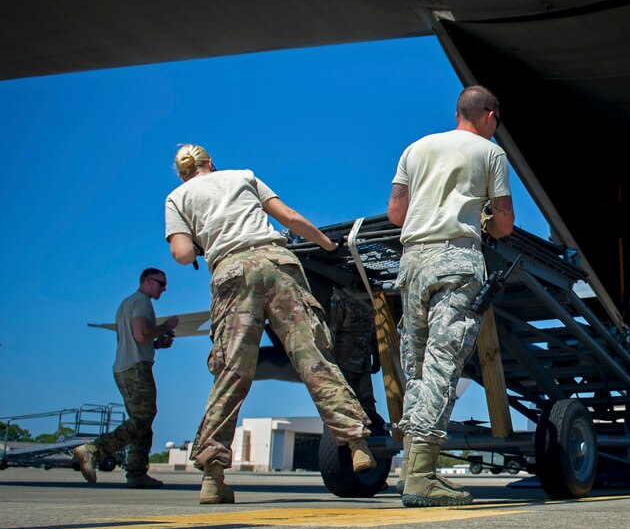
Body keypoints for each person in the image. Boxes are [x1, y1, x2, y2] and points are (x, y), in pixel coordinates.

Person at [164, 144, 374, 504]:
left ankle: (213, 477)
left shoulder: (176, 198)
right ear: (210, 162)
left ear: (182, 173)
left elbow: (182, 254)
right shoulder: (242, 176)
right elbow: (289, 217)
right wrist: (326, 244)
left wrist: (203, 241)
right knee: (313, 357)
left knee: (231, 372)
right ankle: (357, 444)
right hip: (278, 265)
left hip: (230, 273)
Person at [388, 84, 514, 507]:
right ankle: (422, 477)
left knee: (418, 368)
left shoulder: (415, 148)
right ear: (490, 116)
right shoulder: (490, 153)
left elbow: (396, 214)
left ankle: (411, 469)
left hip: (412, 263)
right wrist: (482, 219)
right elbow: (504, 223)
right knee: (443, 366)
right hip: (456, 261)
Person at [73, 270, 179, 488]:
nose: (164, 288)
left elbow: (137, 339)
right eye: (161, 284)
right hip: (136, 368)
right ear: (147, 281)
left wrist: (157, 344)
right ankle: (93, 450)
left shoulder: (126, 304)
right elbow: (141, 334)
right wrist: (165, 327)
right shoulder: (142, 302)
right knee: (142, 418)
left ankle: (136, 473)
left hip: (123, 367)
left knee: (143, 420)